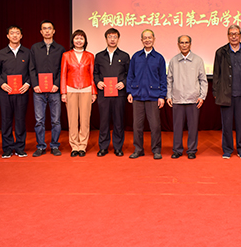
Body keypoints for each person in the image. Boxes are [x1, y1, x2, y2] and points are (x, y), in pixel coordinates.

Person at [212, 24, 241, 159]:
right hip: (226, 94)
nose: (234, 36)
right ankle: (227, 150)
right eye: (231, 34)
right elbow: (216, 74)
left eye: (236, 34)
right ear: (228, 36)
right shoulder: (221, 52)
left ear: (240, 35)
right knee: (227, 124)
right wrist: (216, 92)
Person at [127, 29, 167, 160]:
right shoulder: (136, 57)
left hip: (153, 96)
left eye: (150, 38)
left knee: (155, 126)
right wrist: (130, 92)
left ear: (154, 39)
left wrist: (162, 96)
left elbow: (163, 78)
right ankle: (138, 149)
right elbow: (130, 76)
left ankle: (156, 150)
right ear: (141, 40)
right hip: (137, 95)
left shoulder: (159, 58)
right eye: (145, 38)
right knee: (137, 126)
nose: (147, 40)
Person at [166, 35, 208, 160]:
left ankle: (192, 150)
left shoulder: (198, 60)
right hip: (177, 99)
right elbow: (169, 80)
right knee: (177, 127)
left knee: (193, 127)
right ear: (178, 44)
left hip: (193, 99)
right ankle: (177, 150)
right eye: (182, 43)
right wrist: (169, 95)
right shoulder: (173, 60)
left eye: (186, 42)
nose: (184, 45)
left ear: (190, 44)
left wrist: (202, 96)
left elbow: (203, 80)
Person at [0, 25, 31, 158]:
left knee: (20, 120)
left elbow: (31, 71)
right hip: (6, 92)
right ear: (7, 36)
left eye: (17, 33)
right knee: (6, 120)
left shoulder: (27, 53)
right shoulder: (1, 53)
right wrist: (2, 84)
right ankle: (7, 148)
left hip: (22, 91)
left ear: (21, 36)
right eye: (12, 33)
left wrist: (28, 84)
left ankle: (20, 147)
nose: (15, 35)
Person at [29, 20, 65, 157]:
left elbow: (62, 69)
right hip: (39, 91)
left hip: (54, 90)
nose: (47, 31)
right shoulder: (35, 48)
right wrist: (35, 84)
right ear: (41, 31)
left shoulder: (60, 49)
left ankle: (55, 145)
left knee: (56, 120)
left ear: (54, 31)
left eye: (49, 28)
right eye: (44, 28)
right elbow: (31, 68)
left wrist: (57, 84)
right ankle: (40, 146)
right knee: (39, 120)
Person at [60, 29, 97, 157]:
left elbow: (92, 75)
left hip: (86, 89)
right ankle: (74, 146)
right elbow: (63, 74)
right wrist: (63, 92)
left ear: (85, 41)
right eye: (76, 38)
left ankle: (82, 146)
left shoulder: (90, 56)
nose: (79, 40)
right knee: (72, 119)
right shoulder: (66, 55)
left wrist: (93, 92)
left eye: (81, 38)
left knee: (85, 119)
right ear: (73, 40)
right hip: (71, 89)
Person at [94, 28, 130, 157]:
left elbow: (129, 74)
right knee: (104, 121)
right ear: (106, 39)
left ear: (118, 39)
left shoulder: (124, 56)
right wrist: (98, 82)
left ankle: (118, 147)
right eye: (110, 37)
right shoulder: (99, 56)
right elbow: (95, 73)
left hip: (119, 94)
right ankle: (103, 147)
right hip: (103, 94)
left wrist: (124, 83)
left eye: (115, 37)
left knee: (118, 121)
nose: (112, 39)